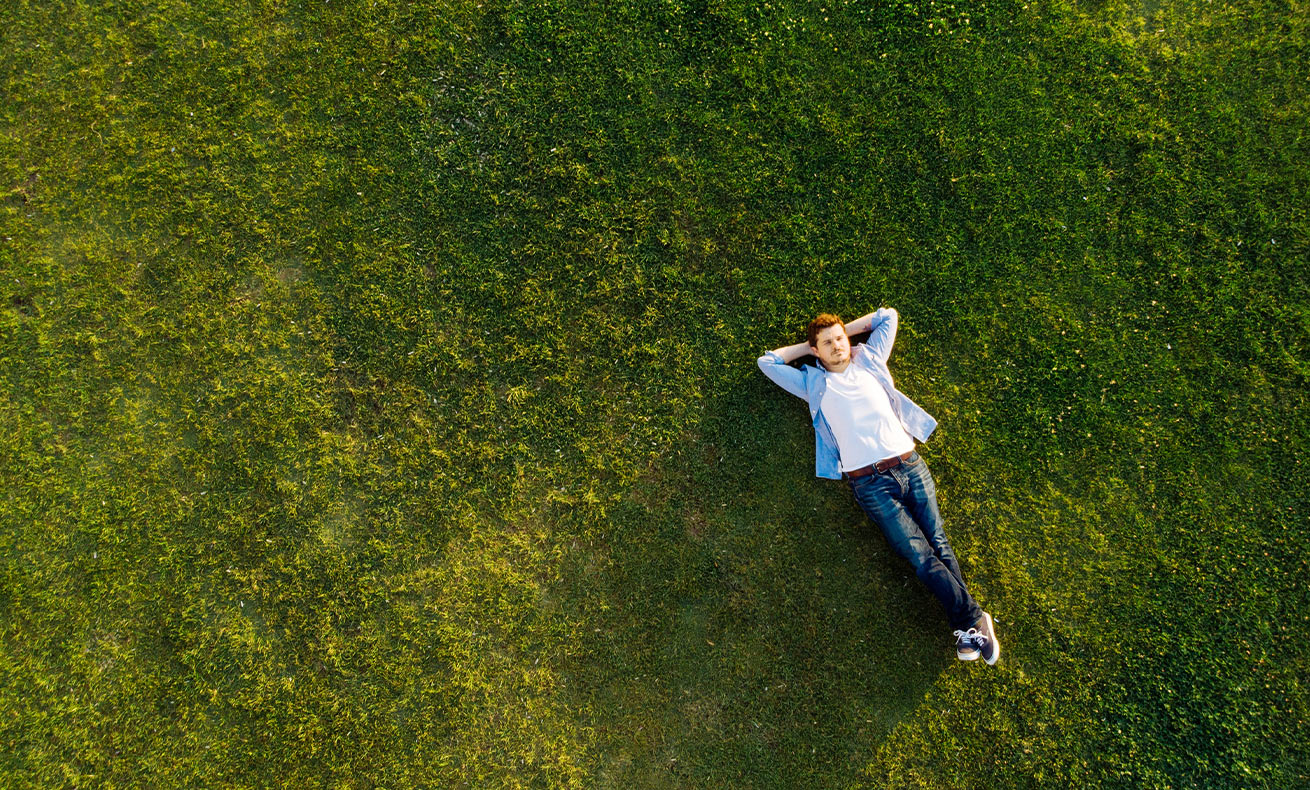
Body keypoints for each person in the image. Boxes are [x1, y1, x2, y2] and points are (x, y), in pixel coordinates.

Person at [756, 308, 1000, 664]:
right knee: (919, 556)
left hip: (910, 465)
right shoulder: (812, 384)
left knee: (939, 543)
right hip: (869, 484)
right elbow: (768, 362)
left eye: (840, 339)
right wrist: (807, 348)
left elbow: (887, 317)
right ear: (816, 351)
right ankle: (974, 620)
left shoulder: (869, 359)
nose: (838, 345)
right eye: (827, 343)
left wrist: (846, 332)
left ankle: (970, 624)